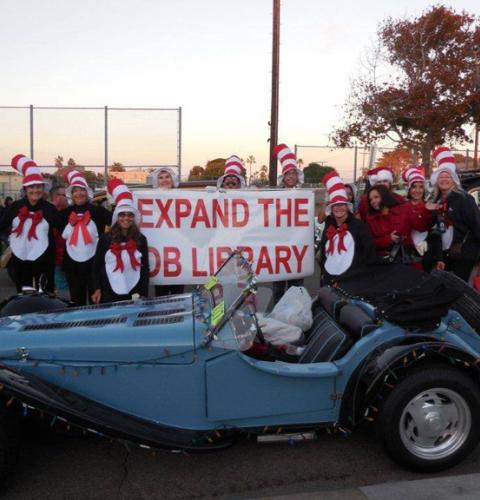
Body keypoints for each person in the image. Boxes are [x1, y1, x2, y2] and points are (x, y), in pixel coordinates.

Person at [0, 154, 59, 292]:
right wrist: (9, 241)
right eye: (31, 187)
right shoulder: (15, 207)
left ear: (43, 189)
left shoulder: (49, 209)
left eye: (38, 187)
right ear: (25, 189)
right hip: (21, 259)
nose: (35, 190)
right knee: (23, 294)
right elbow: (2, 225)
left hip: (45, 260)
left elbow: (64, 228)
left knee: (45, 294)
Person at [426, 147, 480, 282]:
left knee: (459, 290)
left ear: (453, 180)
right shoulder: (436, 201)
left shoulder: (464, 199)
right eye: (441, 176)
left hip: (464, 253)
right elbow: (436, 231)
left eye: (447, 176)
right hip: (444, 255)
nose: (444, 179)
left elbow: (477, 225)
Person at [92, 179, 149, 303]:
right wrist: (97, 289)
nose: (126, 218)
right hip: (108, 291)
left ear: (134, 217)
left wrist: (143, 292)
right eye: (122, 215)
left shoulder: (141, 239)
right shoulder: (105, 238)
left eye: (130, 215)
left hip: (134, 290)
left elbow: (145, 268)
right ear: (117, 217)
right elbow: (97, 266)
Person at [59, 170, 112, 305]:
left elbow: (117, 220)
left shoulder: (98, 211)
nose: (79, 193)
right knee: (76, 302)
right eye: (75, 191)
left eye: (82, 190)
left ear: (87, 192)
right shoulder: (64, 214)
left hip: (94, 265)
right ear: (71, 194)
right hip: (73, 267)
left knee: (96, 302)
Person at [319, 171, 376, 285]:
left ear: (347, 206)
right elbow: (324, 254)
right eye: (335, 205)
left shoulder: (358, 226)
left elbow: (368, 253)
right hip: (328, 280)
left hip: (351, 281)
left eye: (342, 204)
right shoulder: (330, 226)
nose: (339, 208)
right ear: (331, 208)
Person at [272, 143, 305, 302]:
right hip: (279, 248)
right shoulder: (274, 195)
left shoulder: (304, 197)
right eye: (288, 174)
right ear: (283, 177)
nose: (291, 176)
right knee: (278, 288)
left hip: (297, 248)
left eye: (294, 173)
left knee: (296, 287)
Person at [366, 184, 425, 268]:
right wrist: (389, 239)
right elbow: (371, 243)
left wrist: (427, 211)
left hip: (408, 260)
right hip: (386, 263)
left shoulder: (403, 210)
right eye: (371, 199)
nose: (373, 201)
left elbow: (421, 226)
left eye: (376, 197)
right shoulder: (371, 219)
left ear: (384, 196)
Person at [150, 166, 184, 297]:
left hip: (180, 254)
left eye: (167, 177)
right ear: (156, 181)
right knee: (161, 295)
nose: (164, 180)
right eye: (161, 177)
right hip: (160, 254)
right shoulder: (150, 199)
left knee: (179, 295)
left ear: (173, 179)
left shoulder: (183, 197)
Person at [402, 166, 441, 271]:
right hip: (407, 254)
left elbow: (435, 231)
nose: (417, 190)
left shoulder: (430, 206)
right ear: (409, 189)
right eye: (414, 187)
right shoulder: (402, 207)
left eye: (421, 187)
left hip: (427, 253)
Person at [49, 185, 69, 294]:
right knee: (62, 287)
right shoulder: (48, 213)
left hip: (67, 258)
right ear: (56, 197)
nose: (67, 198)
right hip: (57, 258)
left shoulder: (70, 211)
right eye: (65, 195)